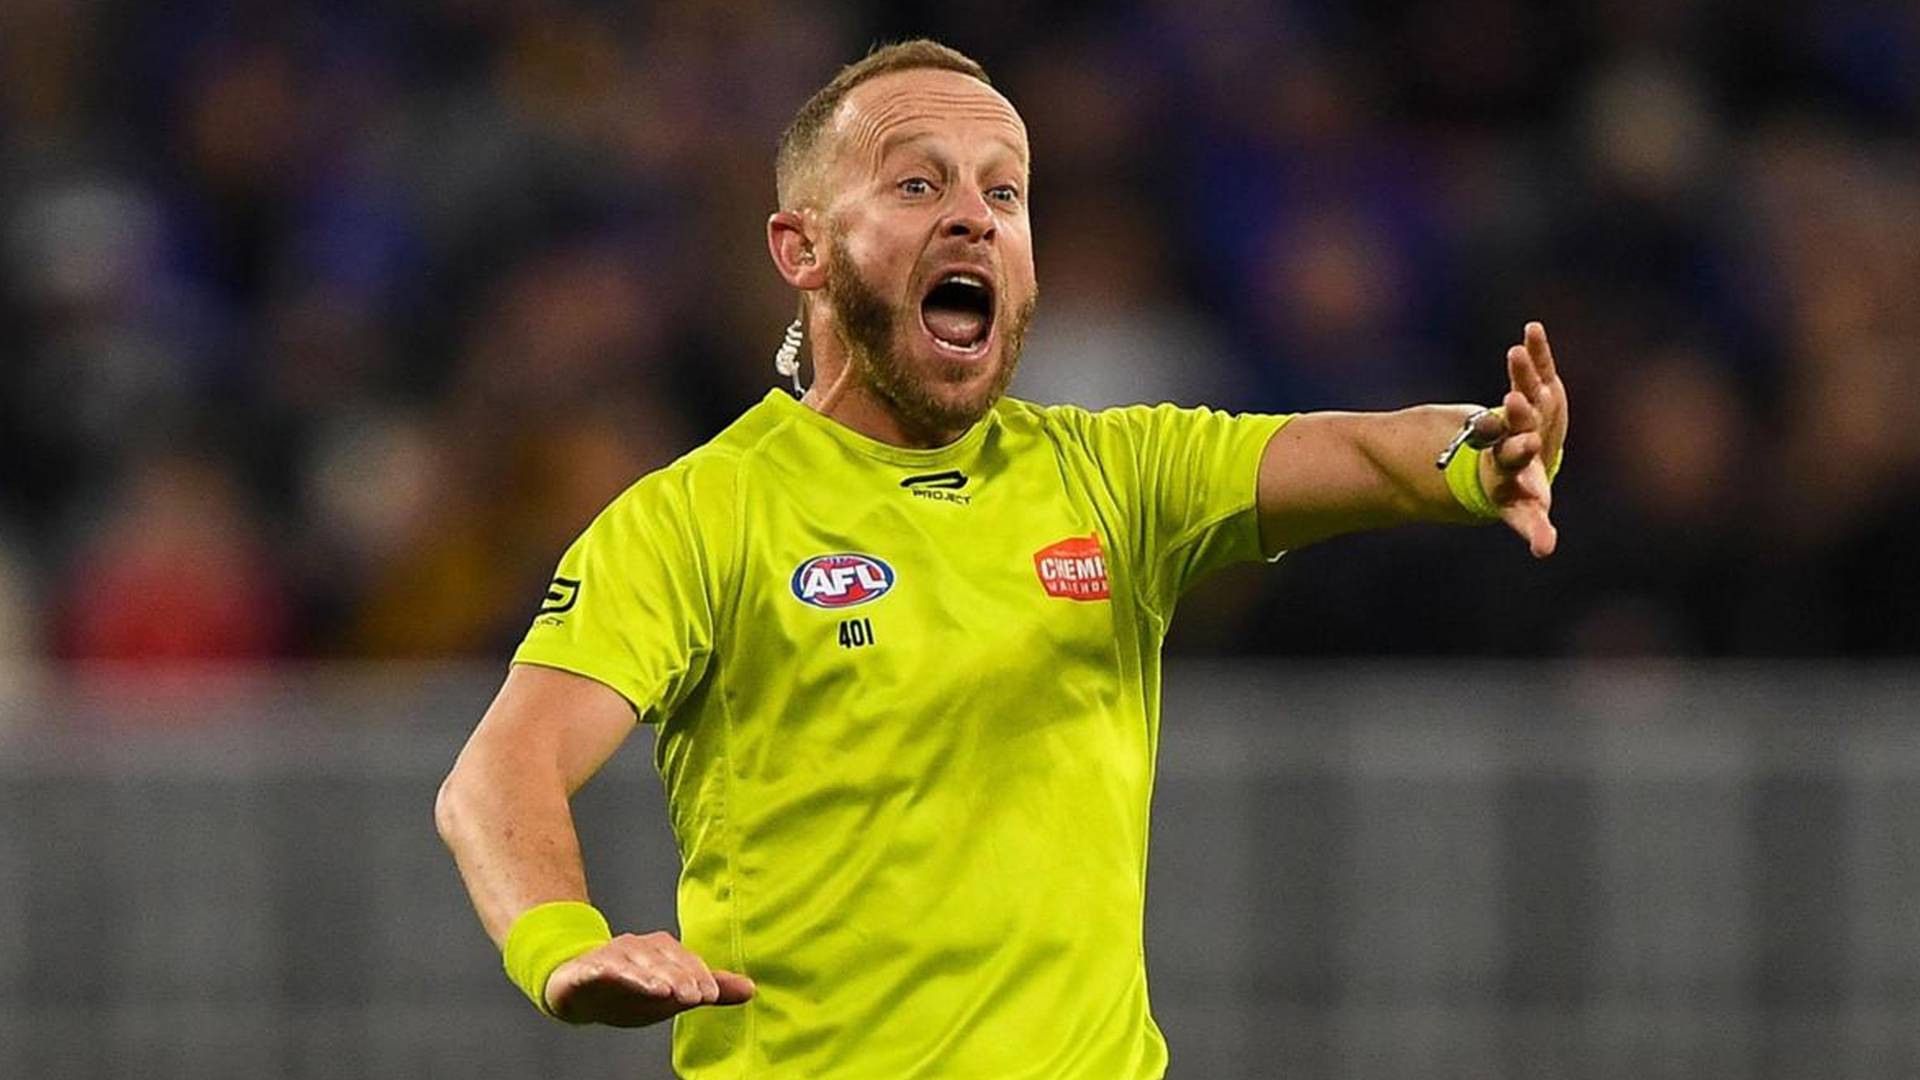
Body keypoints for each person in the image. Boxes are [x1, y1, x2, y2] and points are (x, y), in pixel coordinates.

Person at [435, 38, 1568, 1080]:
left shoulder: (1115, 479)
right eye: (918, 184)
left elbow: (1367, 452)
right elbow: (498, 776)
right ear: (803, 248)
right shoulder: (699, 516)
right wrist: (563, 945)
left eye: (1005, 191)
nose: (974, 218)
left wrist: (1487, 450)